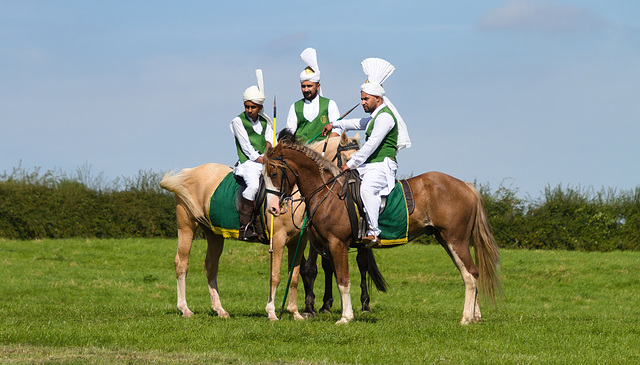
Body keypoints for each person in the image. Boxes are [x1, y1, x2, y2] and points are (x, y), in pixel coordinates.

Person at [322, 58, 411, 247]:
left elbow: (370, 145)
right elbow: (356, 123)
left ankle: (374, 232)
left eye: (365, 99)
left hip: (382, 166)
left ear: (377, 99)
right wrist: (333, 124)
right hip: (370, 166)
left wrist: (350, 163)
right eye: (361, 98)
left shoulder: (385, 118)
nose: (362, 102)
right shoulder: (374, 118)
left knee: (367, 188)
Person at [230, 69, 274, 241]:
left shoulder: (267, 122)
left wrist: (269, 153)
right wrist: (262, 159)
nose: (249, 110)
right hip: (248, 162)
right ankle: (245, 228)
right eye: (247, 106)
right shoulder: (237, 122)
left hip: (265, 160)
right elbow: (247, 148)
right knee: (254, 187)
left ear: (260, 107)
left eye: (253, 107)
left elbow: (270, 141)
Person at [286, 47, 343, 143]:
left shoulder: (330, 104)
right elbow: (290, 132)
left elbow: (336, 130)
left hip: (323, 152)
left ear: (318, 86)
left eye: (309, 86)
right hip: (300, 152)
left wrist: (325, 147)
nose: (306, 89)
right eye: (303, 86)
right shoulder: (295, 107)